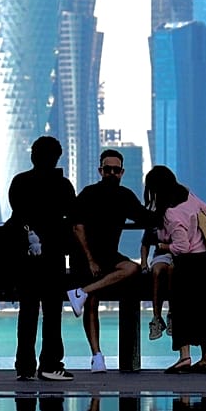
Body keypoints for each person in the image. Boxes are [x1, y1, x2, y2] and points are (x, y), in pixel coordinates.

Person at [64, 149, 154, 373]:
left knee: (131, 268)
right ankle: (97, 357)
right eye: (107, 169)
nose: (111, 173)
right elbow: (77, 226)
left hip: (109, 255)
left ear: (122, 172)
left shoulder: (125, 196)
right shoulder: (88, 193)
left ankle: (81, 292)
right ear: (100, 170)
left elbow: (146, 217)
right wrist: (90, 260)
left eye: (116, 170)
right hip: (84, 256)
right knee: (93, 303)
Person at [9, 136, 77, 381]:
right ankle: (50, 365)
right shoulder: (63, 186)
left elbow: (17, 215)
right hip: (54, 257)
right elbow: (73, 216)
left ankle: (24, 366)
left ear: (32, 156)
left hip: (26, 257)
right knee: (52, 314)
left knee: (27, 312)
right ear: (57, 157)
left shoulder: (20, 182)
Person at [145, 165, 206, 373]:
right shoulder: (189, 196)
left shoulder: (171, 213)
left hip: (188, 265)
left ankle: (184, 357)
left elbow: (181, 247)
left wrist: (163, 246)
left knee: (181, 310)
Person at [140, 222, 173, 341]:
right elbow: (145, 244)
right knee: (157, 272)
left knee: (173, 271)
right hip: (161, 254)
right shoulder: (154, 220)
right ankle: (156, 317)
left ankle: (172, 313)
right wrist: (144, 264)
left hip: (181, 253)